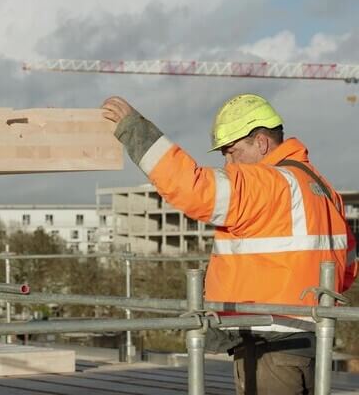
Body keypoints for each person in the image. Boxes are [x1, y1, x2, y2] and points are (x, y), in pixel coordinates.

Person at [101, 94, 357, 395]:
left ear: (261, 143)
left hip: (268, 346)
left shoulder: (268, 184)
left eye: (233, 152)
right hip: (309, 341)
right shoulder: (322, 189)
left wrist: (135, 129)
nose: (228, 162)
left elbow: (192, 188)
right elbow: (347, 268)